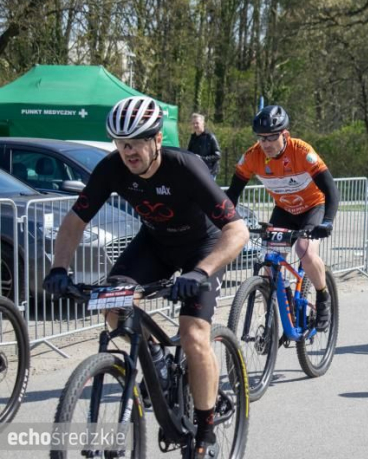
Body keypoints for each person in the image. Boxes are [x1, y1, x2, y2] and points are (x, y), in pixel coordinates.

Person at [42, 96, 250, 458]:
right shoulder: (112, 168)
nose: (128, 151)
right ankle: (156, 361)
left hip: (201, 248)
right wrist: (59, 268)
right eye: (121, 143)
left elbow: (237, 231)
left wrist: (200, 272)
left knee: (193, 332)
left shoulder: (186, 167)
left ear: (156, 140)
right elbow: (76, 221)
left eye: (136, 141)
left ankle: (204, 428)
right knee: (113, 302)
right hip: (154, 243)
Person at [226, 105, 339, 330]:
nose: (265, 144)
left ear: (284, 135)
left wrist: (327, 221)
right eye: (261, 138)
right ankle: (286, 302)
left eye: (271, 138)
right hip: (284, 211)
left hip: (312, 207)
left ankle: (323, 296)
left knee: (304, 251)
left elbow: (331, 190)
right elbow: (232, 195)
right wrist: (223, 221)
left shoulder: (301, 152)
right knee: (269, 262)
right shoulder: (252, 157)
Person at [187, 113, 222, 180]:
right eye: (193, 123)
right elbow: (189, 153)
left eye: (197, 123)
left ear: (203, 123)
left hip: (209, 173)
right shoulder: (193, 138)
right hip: (196, 171)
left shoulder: (210, 137)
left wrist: (202, 159)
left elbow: (218, 155)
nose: (195, 125)